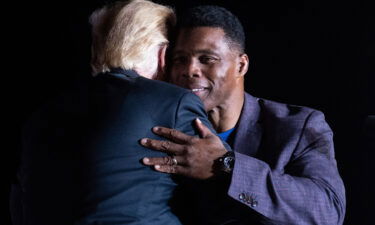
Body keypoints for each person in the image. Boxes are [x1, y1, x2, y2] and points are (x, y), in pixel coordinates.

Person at [10, 1, 218, 224]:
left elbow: (19, 203)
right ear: (163, 53)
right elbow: (219, 195)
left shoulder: (42, 115)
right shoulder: (174, 102)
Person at [141, 5, 346, 225]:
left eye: (206, 59)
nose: (189, 70)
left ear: (241, 65)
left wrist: (226, 165)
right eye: (180, 59)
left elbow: (327, 211)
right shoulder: (160, 129)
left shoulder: (298, 126)